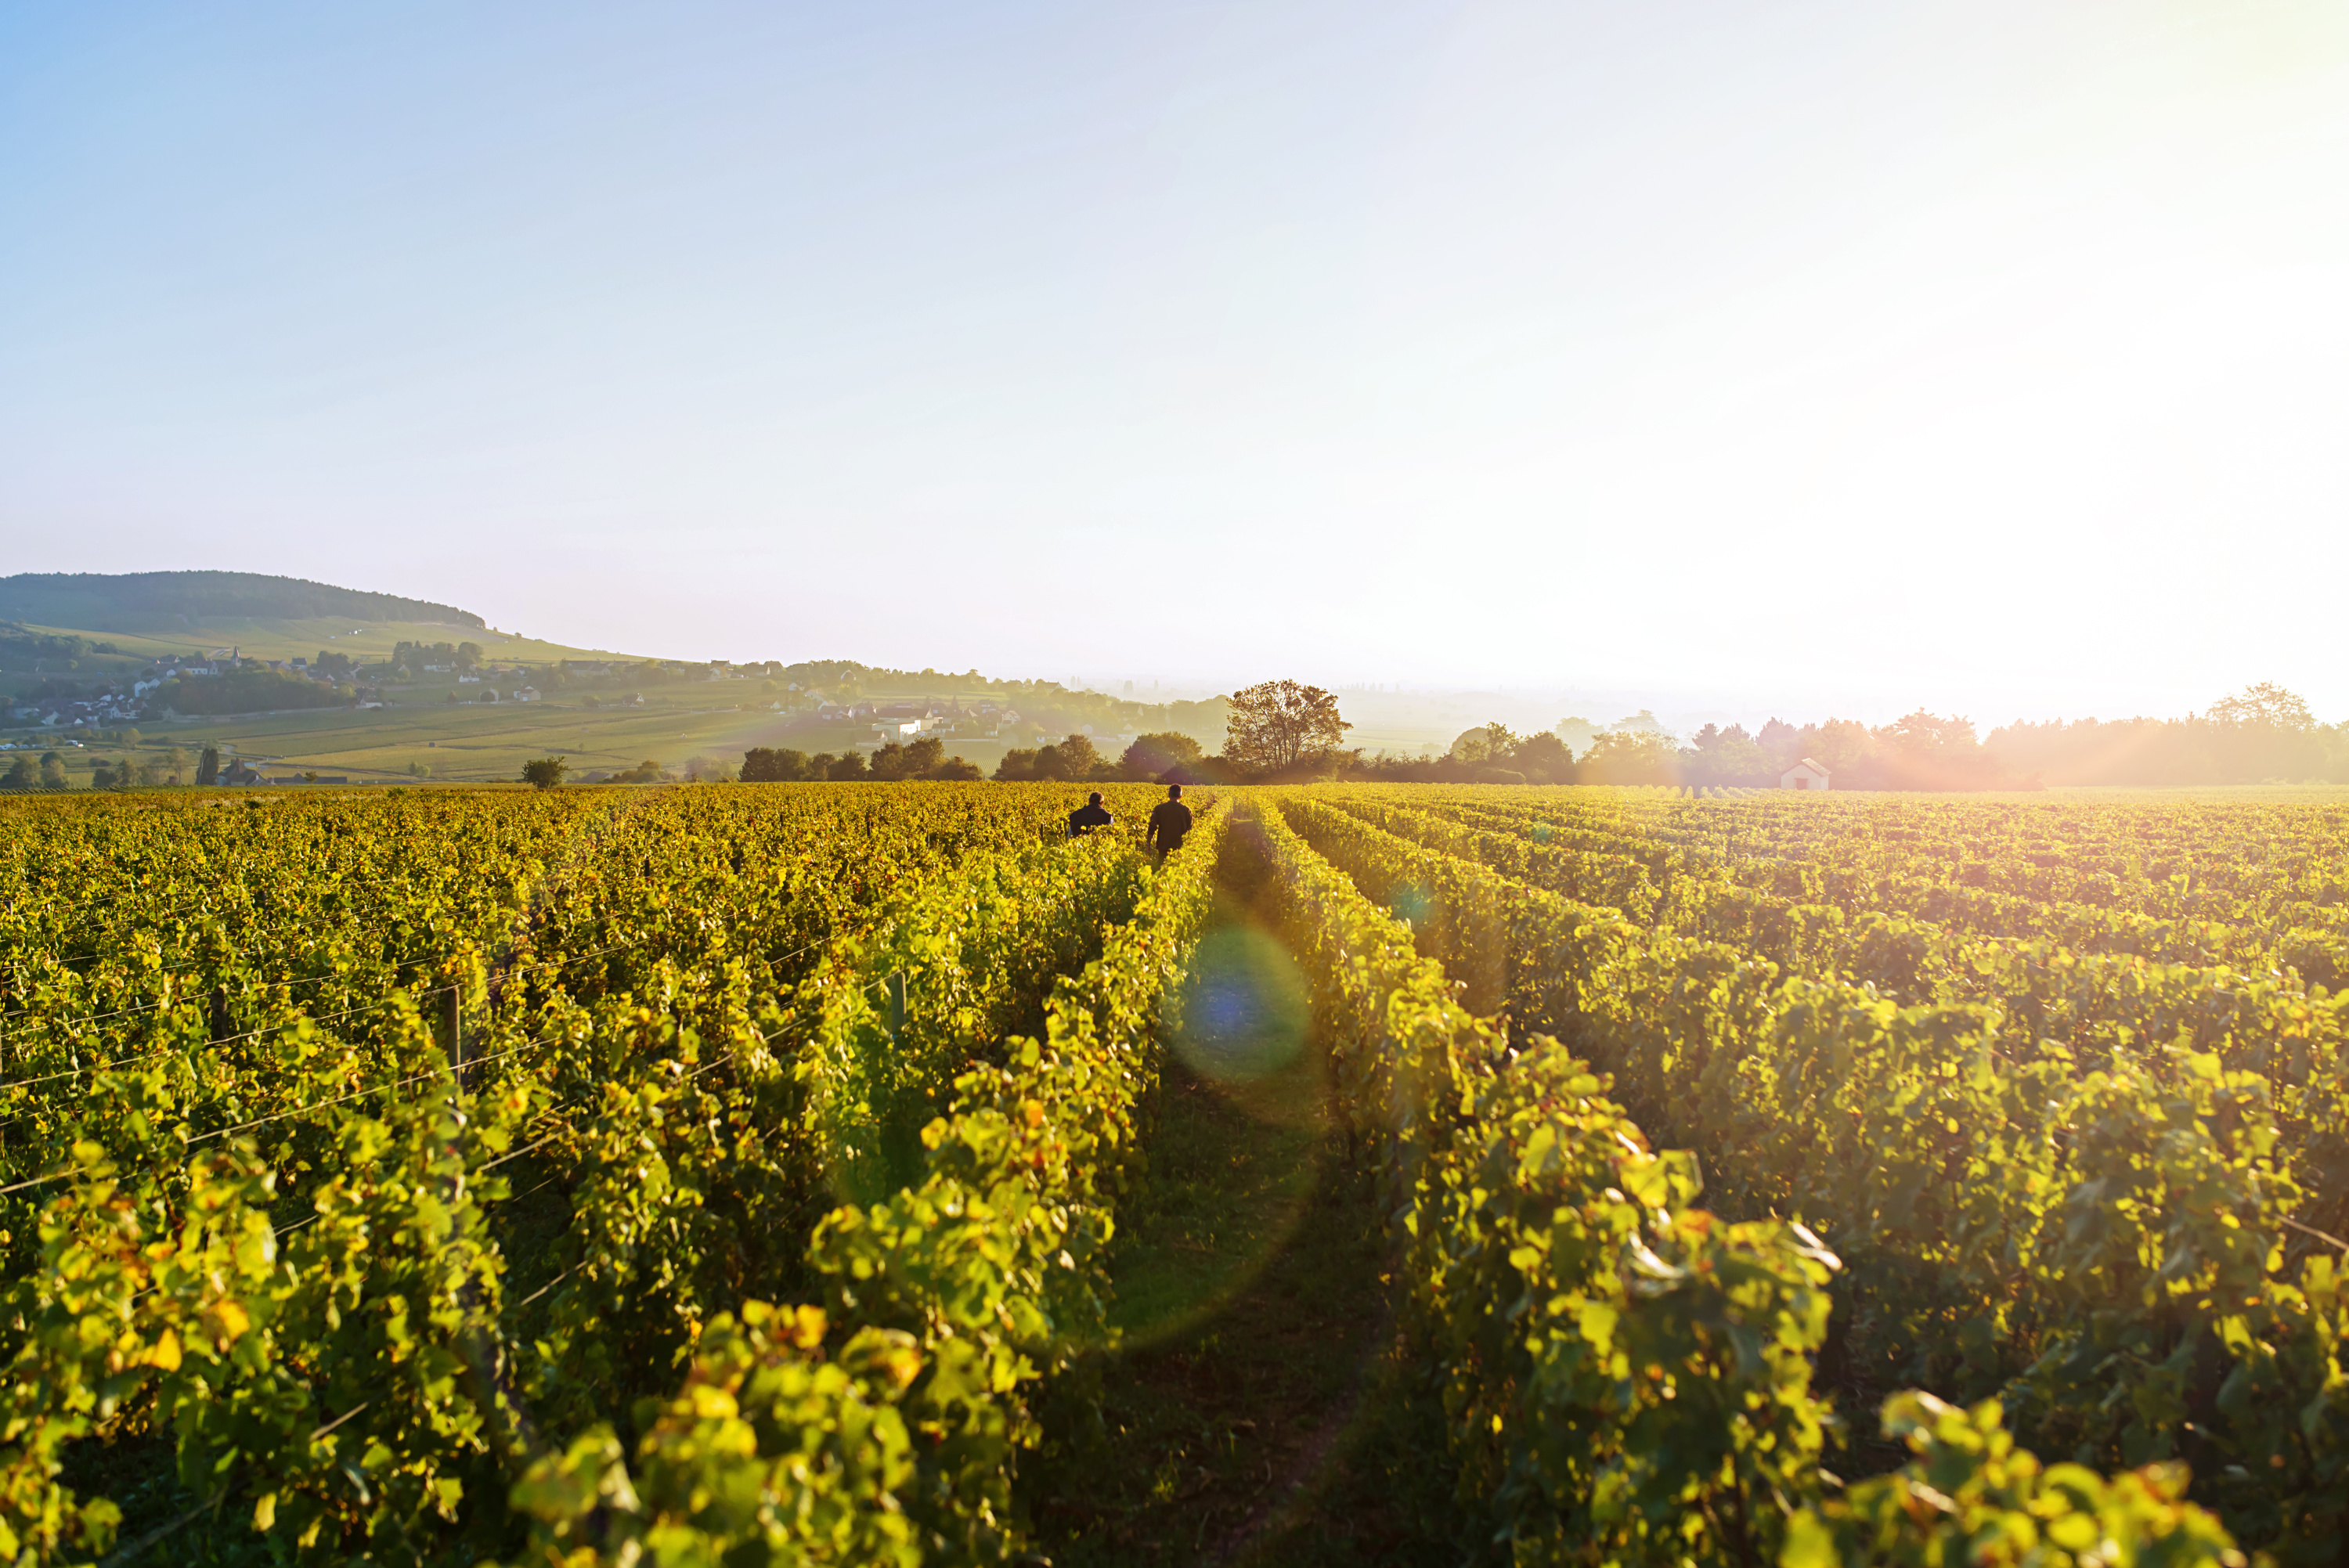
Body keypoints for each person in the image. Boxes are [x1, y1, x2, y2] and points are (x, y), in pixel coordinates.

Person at [1146, 782, 1193, 856]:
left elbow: (1152, 826)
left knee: (1161, 866)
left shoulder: (1159, 808)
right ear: (1180, 796)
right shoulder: (1186, 810)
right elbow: (1189, 830)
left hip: (1163, 846)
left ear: (1169, 795)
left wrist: (1148, 844)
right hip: (1180, 848)